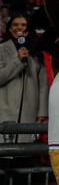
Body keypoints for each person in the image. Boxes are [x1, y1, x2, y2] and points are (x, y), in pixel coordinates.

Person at [0, 14, 48, 143]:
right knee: (5, 156)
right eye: (15, 25)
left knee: (25, 154)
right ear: (9, 29)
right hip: (4, 109)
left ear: (28, 30)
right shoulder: (1, 49)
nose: (19, 28)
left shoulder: (37, 52)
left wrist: (42, 112)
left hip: (30, 110)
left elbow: (42, 84)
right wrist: (18, 60)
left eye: (23, 25)